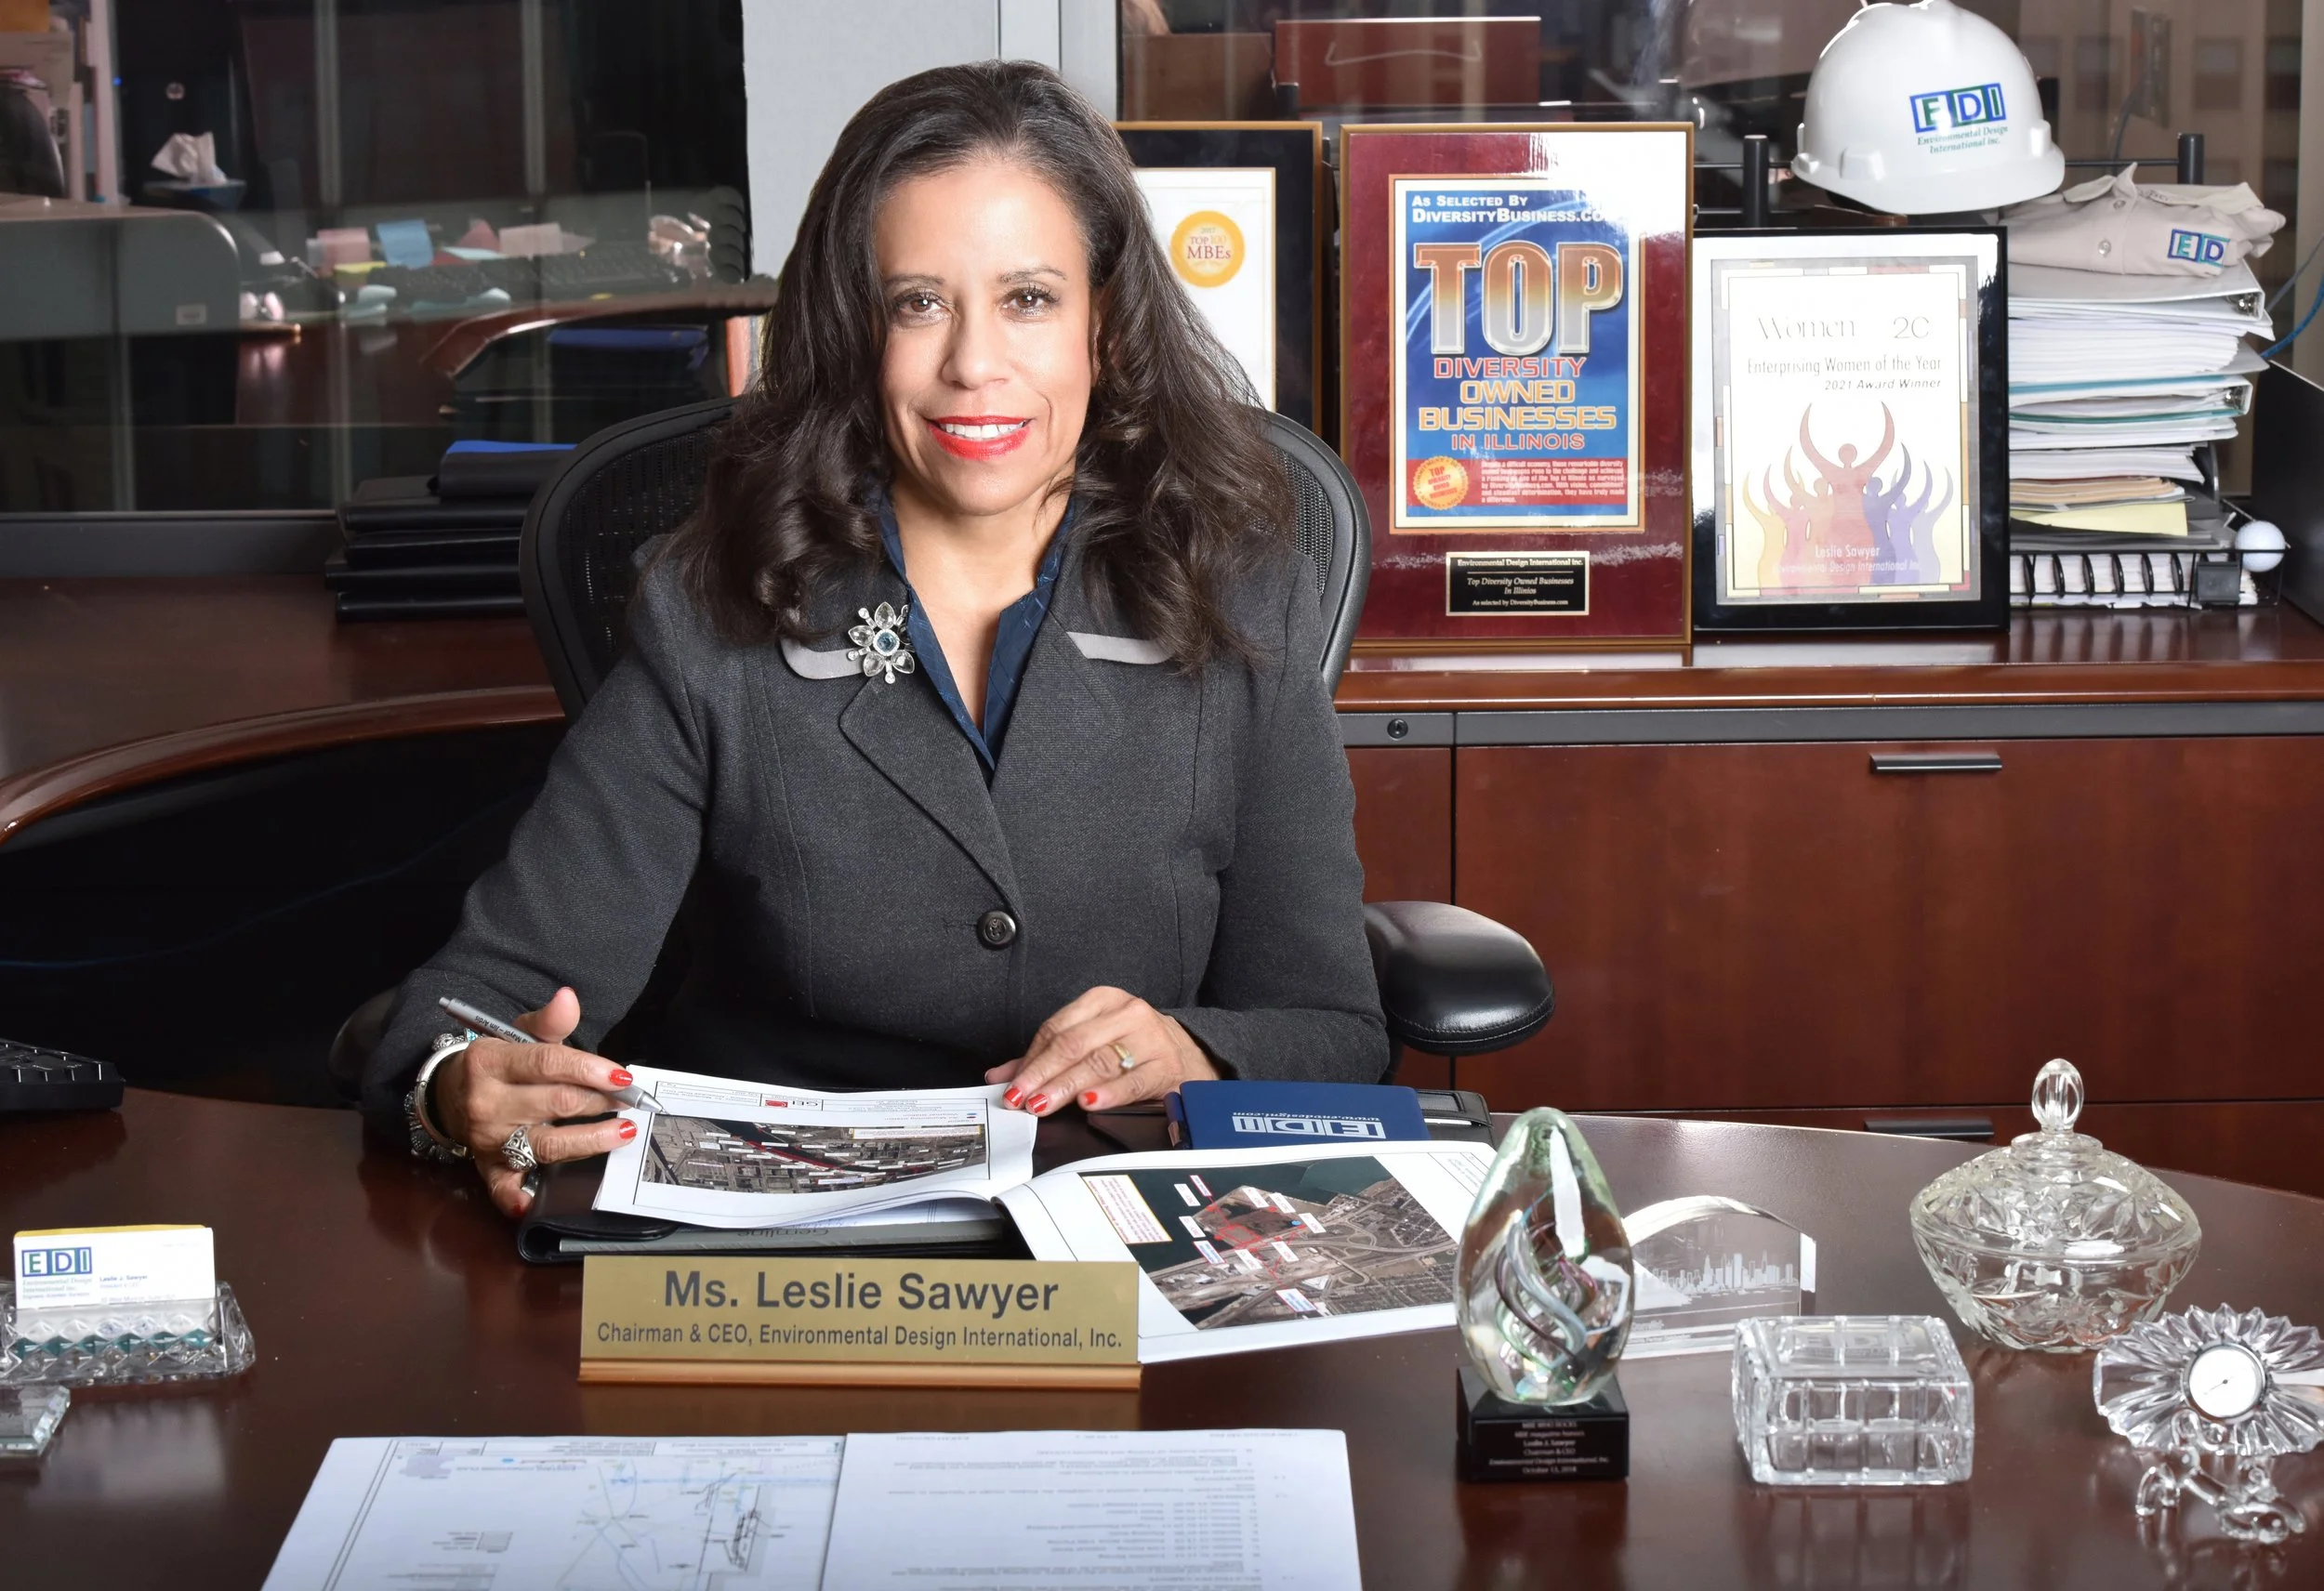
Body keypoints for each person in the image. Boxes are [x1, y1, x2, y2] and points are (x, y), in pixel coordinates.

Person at [361, 60, 1386, 1216]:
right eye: (918, 302)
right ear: (855, 331)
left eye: (1030, 298)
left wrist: (1199, 1052)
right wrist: (461, 1088)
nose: (973, 364)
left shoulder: (1241, 590)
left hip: (1115, 1214)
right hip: (786, 1257)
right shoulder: (714, 608)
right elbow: (479, 1010)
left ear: (1105, 322)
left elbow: (1332, 1028)